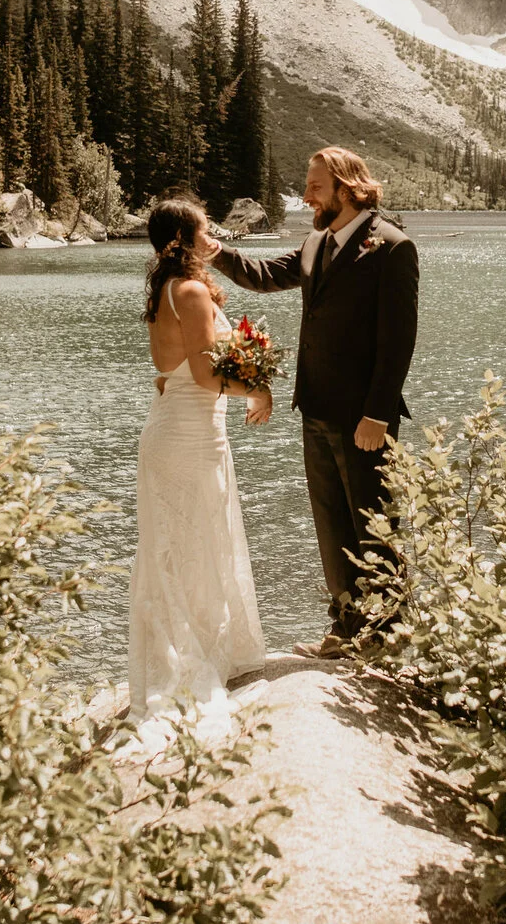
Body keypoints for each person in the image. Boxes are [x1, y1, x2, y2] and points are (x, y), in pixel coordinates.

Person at [213, 146, 419, 656]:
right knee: (331, 523)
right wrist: (212, 251)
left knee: (373, 522)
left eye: (315, 187)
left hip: (365, 417)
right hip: (316, 407)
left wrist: (377, 412)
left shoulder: (391, 247)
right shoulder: (314, 244)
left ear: (347, 189)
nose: (306, 196)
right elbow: (262, 277)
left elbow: (399, 341)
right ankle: (346, 626)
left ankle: (388, 632)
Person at [132, 196, 270, 720]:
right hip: (185, 438)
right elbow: (209, 376)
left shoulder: (171, 288)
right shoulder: (188, 291)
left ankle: (204, 653)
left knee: (192, 543)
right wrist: (258, 390)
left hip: (190, 432)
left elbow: (175, 372)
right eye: (205, 229)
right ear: (184, 240)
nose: (213, 235)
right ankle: (186, 666)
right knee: (185, 545)